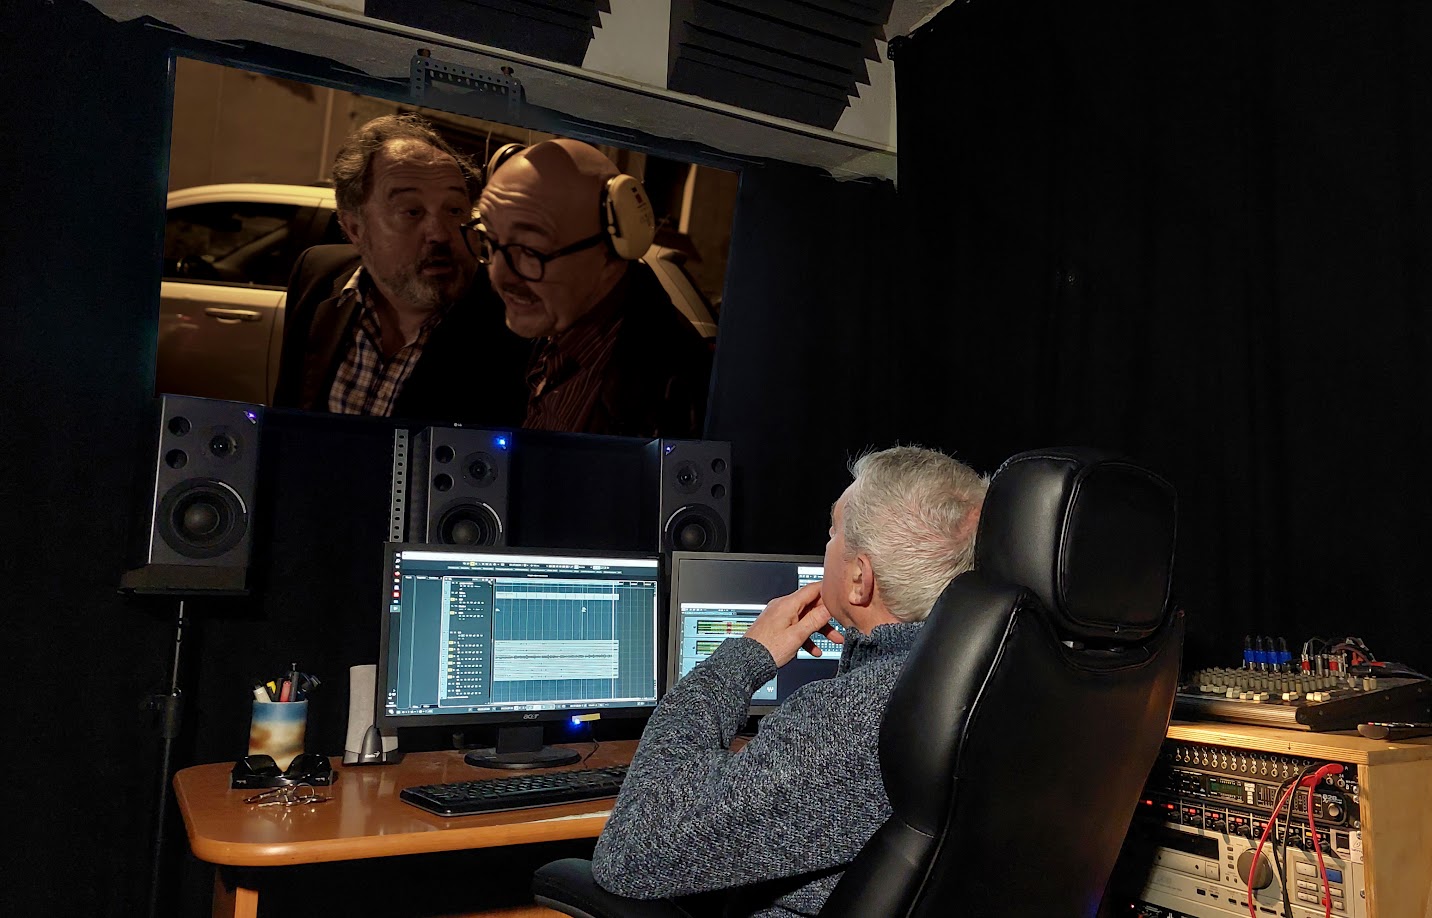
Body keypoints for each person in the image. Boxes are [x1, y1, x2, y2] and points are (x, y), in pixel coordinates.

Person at [591, 446, 989, 916]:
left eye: (833, 532)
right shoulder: (1003, 682)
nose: (827, 546)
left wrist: (747, 657)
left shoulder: (855, 718)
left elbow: (632, 852)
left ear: (859, 578)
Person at [274, 114, 530, 426]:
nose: (440, 234)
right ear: (355, 228)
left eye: (454, 210)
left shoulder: (514, 322)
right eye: (411, 211)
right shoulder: (317, 273)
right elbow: (286, 413)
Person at [472, 139, 713, 437]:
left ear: (613, 249)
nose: (499, 274)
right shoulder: (555, 324)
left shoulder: (676, 396)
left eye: (531, 250)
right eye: (490, 239)